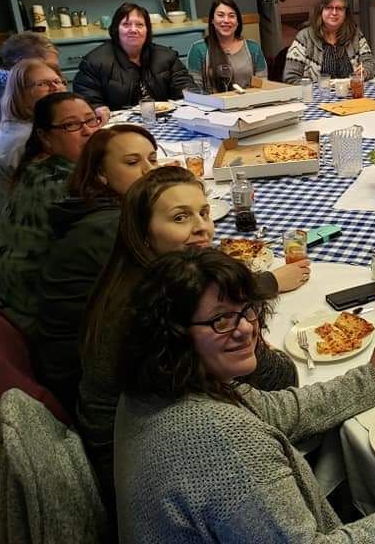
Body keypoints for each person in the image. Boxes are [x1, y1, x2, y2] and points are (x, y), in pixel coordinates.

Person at [114, 247, 375, 543]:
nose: (246, 328)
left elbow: (281, 410)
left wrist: (369, 376)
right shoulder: (224, 442)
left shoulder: (162, 384)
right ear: (173, 334)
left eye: (246, 309)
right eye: (221, 320)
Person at [78, 167, 307, 522]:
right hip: (152, 479)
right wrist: (256, 340)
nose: (203, 228)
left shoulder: (136, 281)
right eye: (180, 217)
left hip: (135, 456)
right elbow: (279, 380)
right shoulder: (154, 312)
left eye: (204, 212)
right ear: (143, 234)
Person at [29, 125, 158, 415]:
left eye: (152, 159)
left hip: (88, 358)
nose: (149, 170)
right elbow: (172, 291)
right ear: (101, 174)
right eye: (132, 162)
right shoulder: (110, 227)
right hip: (88, 384)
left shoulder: (98, 208)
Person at [0, 92, 101, 335]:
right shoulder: (62, 183)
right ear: (45, 136)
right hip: (39, 316)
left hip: (16, 299)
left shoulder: (35, 165)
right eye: (71, 125)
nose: (88, 131)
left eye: (91, 120)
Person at [73, 2, 197, 110]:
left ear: (147, 30)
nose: (133, 30)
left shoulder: (167, 57)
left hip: (163, 119)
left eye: (139, 25)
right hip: (118, 125)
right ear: (116, 29)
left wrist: (191, 99)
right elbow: (88, 103)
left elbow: (186, 88)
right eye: (126, 24)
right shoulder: (94, 62)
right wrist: (98, 109)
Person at [0, 59, 67, 193]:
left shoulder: (37, 125)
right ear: (19, 94)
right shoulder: (26, 139)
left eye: (58, 81)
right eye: (42, 84)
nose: (55, 87)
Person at [283, 0, 375, 84]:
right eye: (329, 8)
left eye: (339, 8)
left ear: (345, 13)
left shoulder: (354, 33)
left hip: (350, 91)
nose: (334, 13)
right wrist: (317, 88)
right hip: (317, 93)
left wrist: (365, 71)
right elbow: (290, 77)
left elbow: (371, 64)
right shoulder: (305, 37)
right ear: (320, 11)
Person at [187, 0, 267, 93]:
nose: (226, 20)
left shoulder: (253, 48)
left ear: (238, 22)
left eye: (231, 16)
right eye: (221, 15)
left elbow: (262, 85)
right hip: (213, 102)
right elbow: (195, 90)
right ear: (212, 20)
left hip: (249, 100)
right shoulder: (199, 49)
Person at [0, 32, 60, 120]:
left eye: (55, 68)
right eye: (48, 67)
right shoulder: (9, 96)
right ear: (20, 65)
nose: (55, 73)